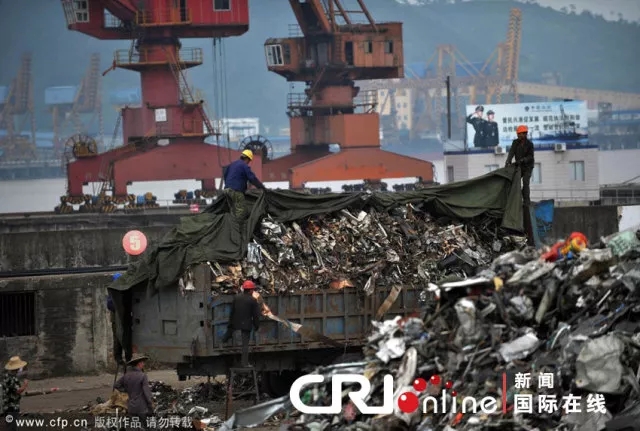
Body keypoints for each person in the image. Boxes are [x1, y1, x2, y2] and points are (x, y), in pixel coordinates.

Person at [223, 280, 261, 367]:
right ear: (250, 290)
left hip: (235, 325)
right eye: (253, 289)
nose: (253, 291)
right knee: (245, 346)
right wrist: (256, 326)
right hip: (246, 326)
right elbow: (255, 315)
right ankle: (244, 363)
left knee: (230, 339)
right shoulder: (252, 300)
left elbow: (232, 312)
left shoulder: (236, 297)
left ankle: (224, 341)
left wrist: (230, 325)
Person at [223, 150, 267, 220]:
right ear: (247, 158)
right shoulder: (244, 166)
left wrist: (228, 185)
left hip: (227, 190)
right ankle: (238, 226)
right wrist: (261, 187)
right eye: (249, 161)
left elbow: (225, 175)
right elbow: (252, 178)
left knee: (233, 211)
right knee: (241, 211)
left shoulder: (232, 164)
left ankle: (232, 225)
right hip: (236, 191)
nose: (248, 162)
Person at [114, 353, 153, 427]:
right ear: (139, 364)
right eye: (142, 362)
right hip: (141, 407)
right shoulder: (143, 376)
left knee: (135, 426)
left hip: (131, 407)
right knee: (145, 426)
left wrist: (126, 390)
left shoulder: (126, 375)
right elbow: (147, 393)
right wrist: (150, 406)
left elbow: (116, 385)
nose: (143, 364)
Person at [505, 125, 535, 205]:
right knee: (515, 181)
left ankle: (526, 201)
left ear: (525, 134)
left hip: (528, 167)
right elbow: (511, 152)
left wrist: (523, 160)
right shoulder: (515, 142)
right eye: (518, 134)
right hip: (519, 166)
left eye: (520, 134)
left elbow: (531, 156)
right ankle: (516, 199)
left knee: (525, 181)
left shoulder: (530, 144)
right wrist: (508, 161)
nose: (518, 135)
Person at [2, 356, 29, 430]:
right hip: (12, 406)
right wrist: (25, 385)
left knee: (10, 424)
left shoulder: (7, 376)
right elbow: (18, 391)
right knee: (12, 426)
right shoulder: (12, 379)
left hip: (7, 405)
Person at [108, 273, 125, 366]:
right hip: (116, 318)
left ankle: (126, 358)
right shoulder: (112, 290)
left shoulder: (124, 289)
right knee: (118, 338)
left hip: (124, 317)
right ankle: (118, 359)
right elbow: (110, 305)